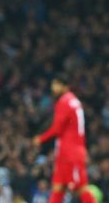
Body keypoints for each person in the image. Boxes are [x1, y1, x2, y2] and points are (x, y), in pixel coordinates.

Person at [32, 74, 97, 203]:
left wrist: (41, 138)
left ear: (65, 86)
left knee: (81, 188)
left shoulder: (64, 101)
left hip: (70, 152)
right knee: (58, 187)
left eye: (56, 85)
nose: (53, 88)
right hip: (66, 151)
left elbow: (57, 129)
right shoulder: (74, 100)